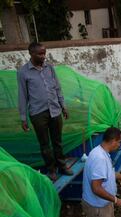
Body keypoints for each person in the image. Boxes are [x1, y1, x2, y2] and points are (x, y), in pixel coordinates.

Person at [17, 42, 73, 181]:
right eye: (40, 54)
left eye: (44, 53)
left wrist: (63, 106)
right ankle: (51, 169)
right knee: (44, 144)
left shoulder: (50, 68)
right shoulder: (23, 72)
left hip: (54, 110)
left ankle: (62, 165)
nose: (43, 56)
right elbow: (22, 95)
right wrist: (23, 118)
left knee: (57, 141)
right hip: (38, 113)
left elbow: (57, 88)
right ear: (31, 54)